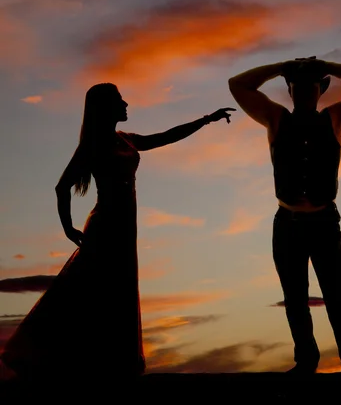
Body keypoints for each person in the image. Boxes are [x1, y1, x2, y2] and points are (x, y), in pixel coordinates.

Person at [0, 83, 235, 387]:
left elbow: (163, 137)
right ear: (105, 108)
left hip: (125, 226)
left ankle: (107, 363)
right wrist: (68, 228)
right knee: (90, 288)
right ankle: (48, 356)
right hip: (105, 224)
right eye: (119, 101)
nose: (126, 104)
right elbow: (62, 187)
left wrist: (206, 120)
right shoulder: (93, 145)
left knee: (116, 290)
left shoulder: (125, 139)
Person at [228, 56, 341, 375]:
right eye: (296, 85)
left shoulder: (336, 118)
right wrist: (280, 66)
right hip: (287, 223)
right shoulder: (275, 118)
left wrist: (329, 65)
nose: (303, 90)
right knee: (295, 298)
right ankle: (306, 361)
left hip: (325, 222)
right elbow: (238, 84)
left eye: (311, 85)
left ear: (319, 90)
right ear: (289, 89)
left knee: (338, 295)